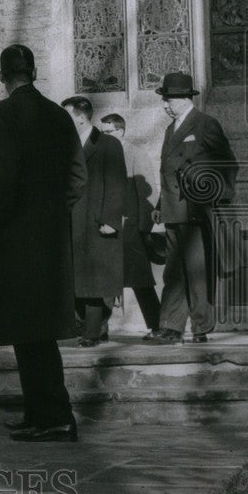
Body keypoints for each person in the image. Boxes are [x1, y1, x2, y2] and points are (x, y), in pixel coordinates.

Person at [0, 44, 85, 442]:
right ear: (35, 71)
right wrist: (53, 214)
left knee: (29, 330)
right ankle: (39, 411)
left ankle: (55, 416)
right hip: (51, 238)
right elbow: (78, 177)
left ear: (2, 75)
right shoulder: (59, 114)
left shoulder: (3, 112)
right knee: (36, 330)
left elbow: (3, 177)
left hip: (15, 236)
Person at [146, 72, 237, 345]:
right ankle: (171, 326)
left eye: (168, 99)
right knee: (173, 271)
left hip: (196, 211)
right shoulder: (170, 130)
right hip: (174, 210)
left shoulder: (205, 124)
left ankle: (200, 328)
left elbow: (228, 165)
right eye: (164, 99)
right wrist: (161, 205)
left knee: (197, 271)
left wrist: (210, 193)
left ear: (184, 99)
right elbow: (167, 173)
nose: (164, 105)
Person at [61, 97, 125, 347]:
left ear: (80, 117)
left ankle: (92, 331)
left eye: (66, 115)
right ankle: (90, 327)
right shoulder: (64, 145)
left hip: (96, 218)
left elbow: (117, 184)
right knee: (77, 277)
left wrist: (110, 218)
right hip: (72, 220)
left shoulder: (108, 144)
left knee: (95, 279)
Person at [99, 113, 161, 333]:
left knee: (140, 281)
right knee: (105, 280)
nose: (105, 136)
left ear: (121, 131)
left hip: (131, 228)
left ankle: (157, 326)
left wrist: (143, 228)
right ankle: (99, 329)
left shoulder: (135, 154)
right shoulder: (102, 155)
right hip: (107, 227)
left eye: (109, 132)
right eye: (103, 132)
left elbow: (148, 194)